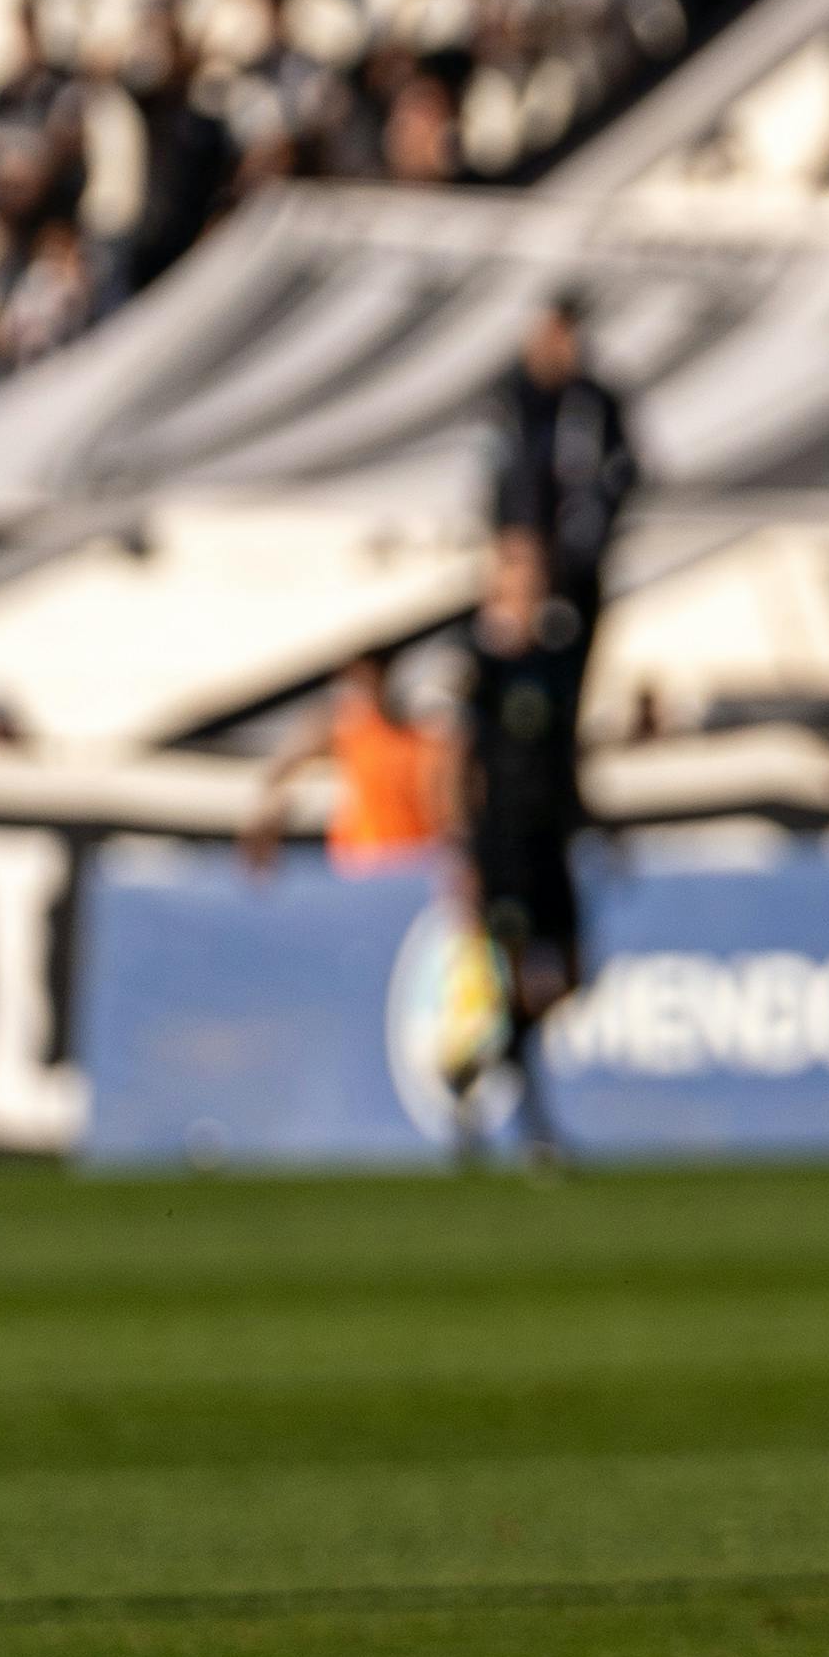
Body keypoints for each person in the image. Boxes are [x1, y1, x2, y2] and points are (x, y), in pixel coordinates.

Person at [443, 523, 592, 1161]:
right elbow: (455, 760)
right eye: (519, 571)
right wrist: (460, 847)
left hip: (551, 838)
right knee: (513, 976)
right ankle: (534, 1127)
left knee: (571, 972)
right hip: (501, 839)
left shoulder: (559, 656)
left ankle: (483, 1064)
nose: (530, 584)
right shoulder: (479, 662)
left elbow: (566, 751)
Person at [491, 291, 636, 603]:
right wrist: (512, 535)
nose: (551, 345)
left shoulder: (594, 403)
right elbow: (501, 472)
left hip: (576, 555)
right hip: (524, 550)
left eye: (561, 335)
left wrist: (592, 522)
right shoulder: (512, 400)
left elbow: (624, 469)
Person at [244, 645, 443, 871]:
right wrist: (269, 819)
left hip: (417, 857)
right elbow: (283, 766)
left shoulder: (422, 729)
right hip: (363, 859)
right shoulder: (347, 725)